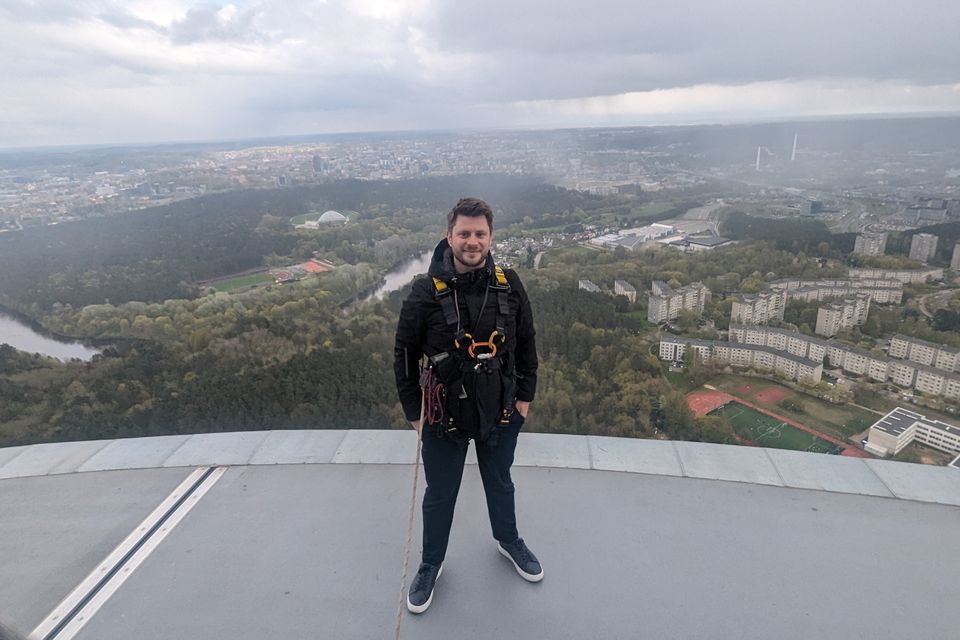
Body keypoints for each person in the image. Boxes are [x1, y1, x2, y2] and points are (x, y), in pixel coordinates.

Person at [394, 197, 541, 614]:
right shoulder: (425, 292)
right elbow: (404, 355)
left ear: (490, 237)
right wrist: (414, 415)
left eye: (479, 234)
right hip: (443, 417)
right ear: (449, 236)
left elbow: (527, 345)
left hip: (501, 410)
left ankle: (509, 540)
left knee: (500, 481)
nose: (472, 241)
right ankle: (430, 564)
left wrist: (524, 402)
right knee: (440, 493)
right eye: (464, 233)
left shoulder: (508, 284)